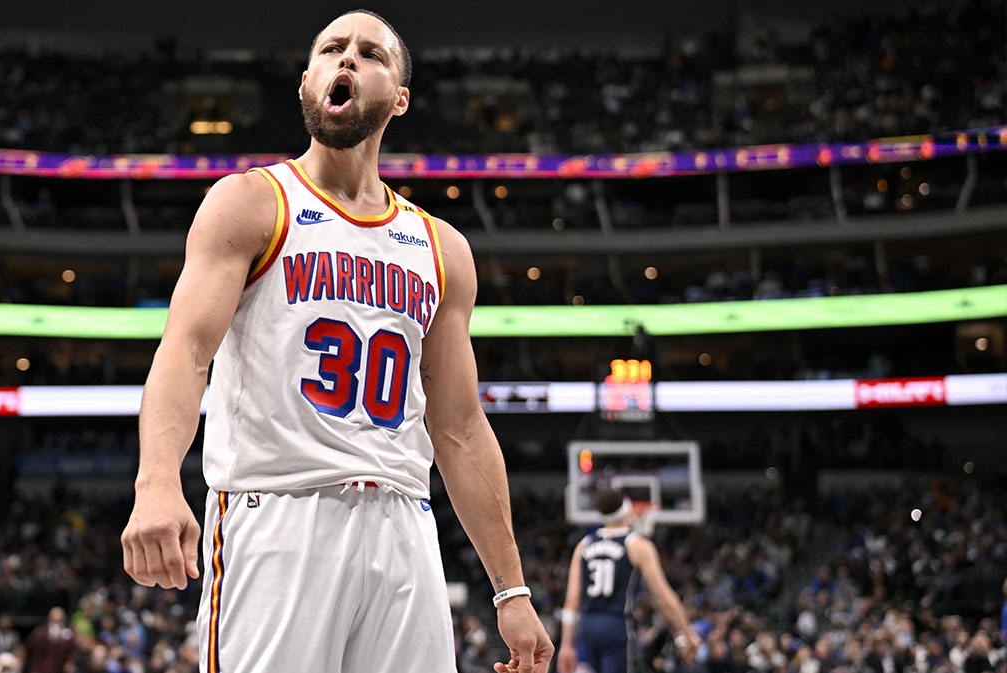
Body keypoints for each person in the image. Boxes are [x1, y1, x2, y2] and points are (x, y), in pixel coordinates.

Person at [120, 9, 553, 673]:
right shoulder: (251, 202)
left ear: (400, 97)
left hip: (404, 523)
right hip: (277, 512)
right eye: (331, 48)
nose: (347, 59)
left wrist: (511, 587)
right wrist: (155, 482)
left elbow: (461, 427)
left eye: (370, 53)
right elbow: (184, 351)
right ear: (307, 81)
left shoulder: (441, 248)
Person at [557, 489, 701, 673]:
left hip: (589, 625)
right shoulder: (637, 545)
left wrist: (567, 645)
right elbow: (662, 596)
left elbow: (571, 600)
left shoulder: (583, 545)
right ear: (627, 511)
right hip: (618, 624)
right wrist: (687, 632)